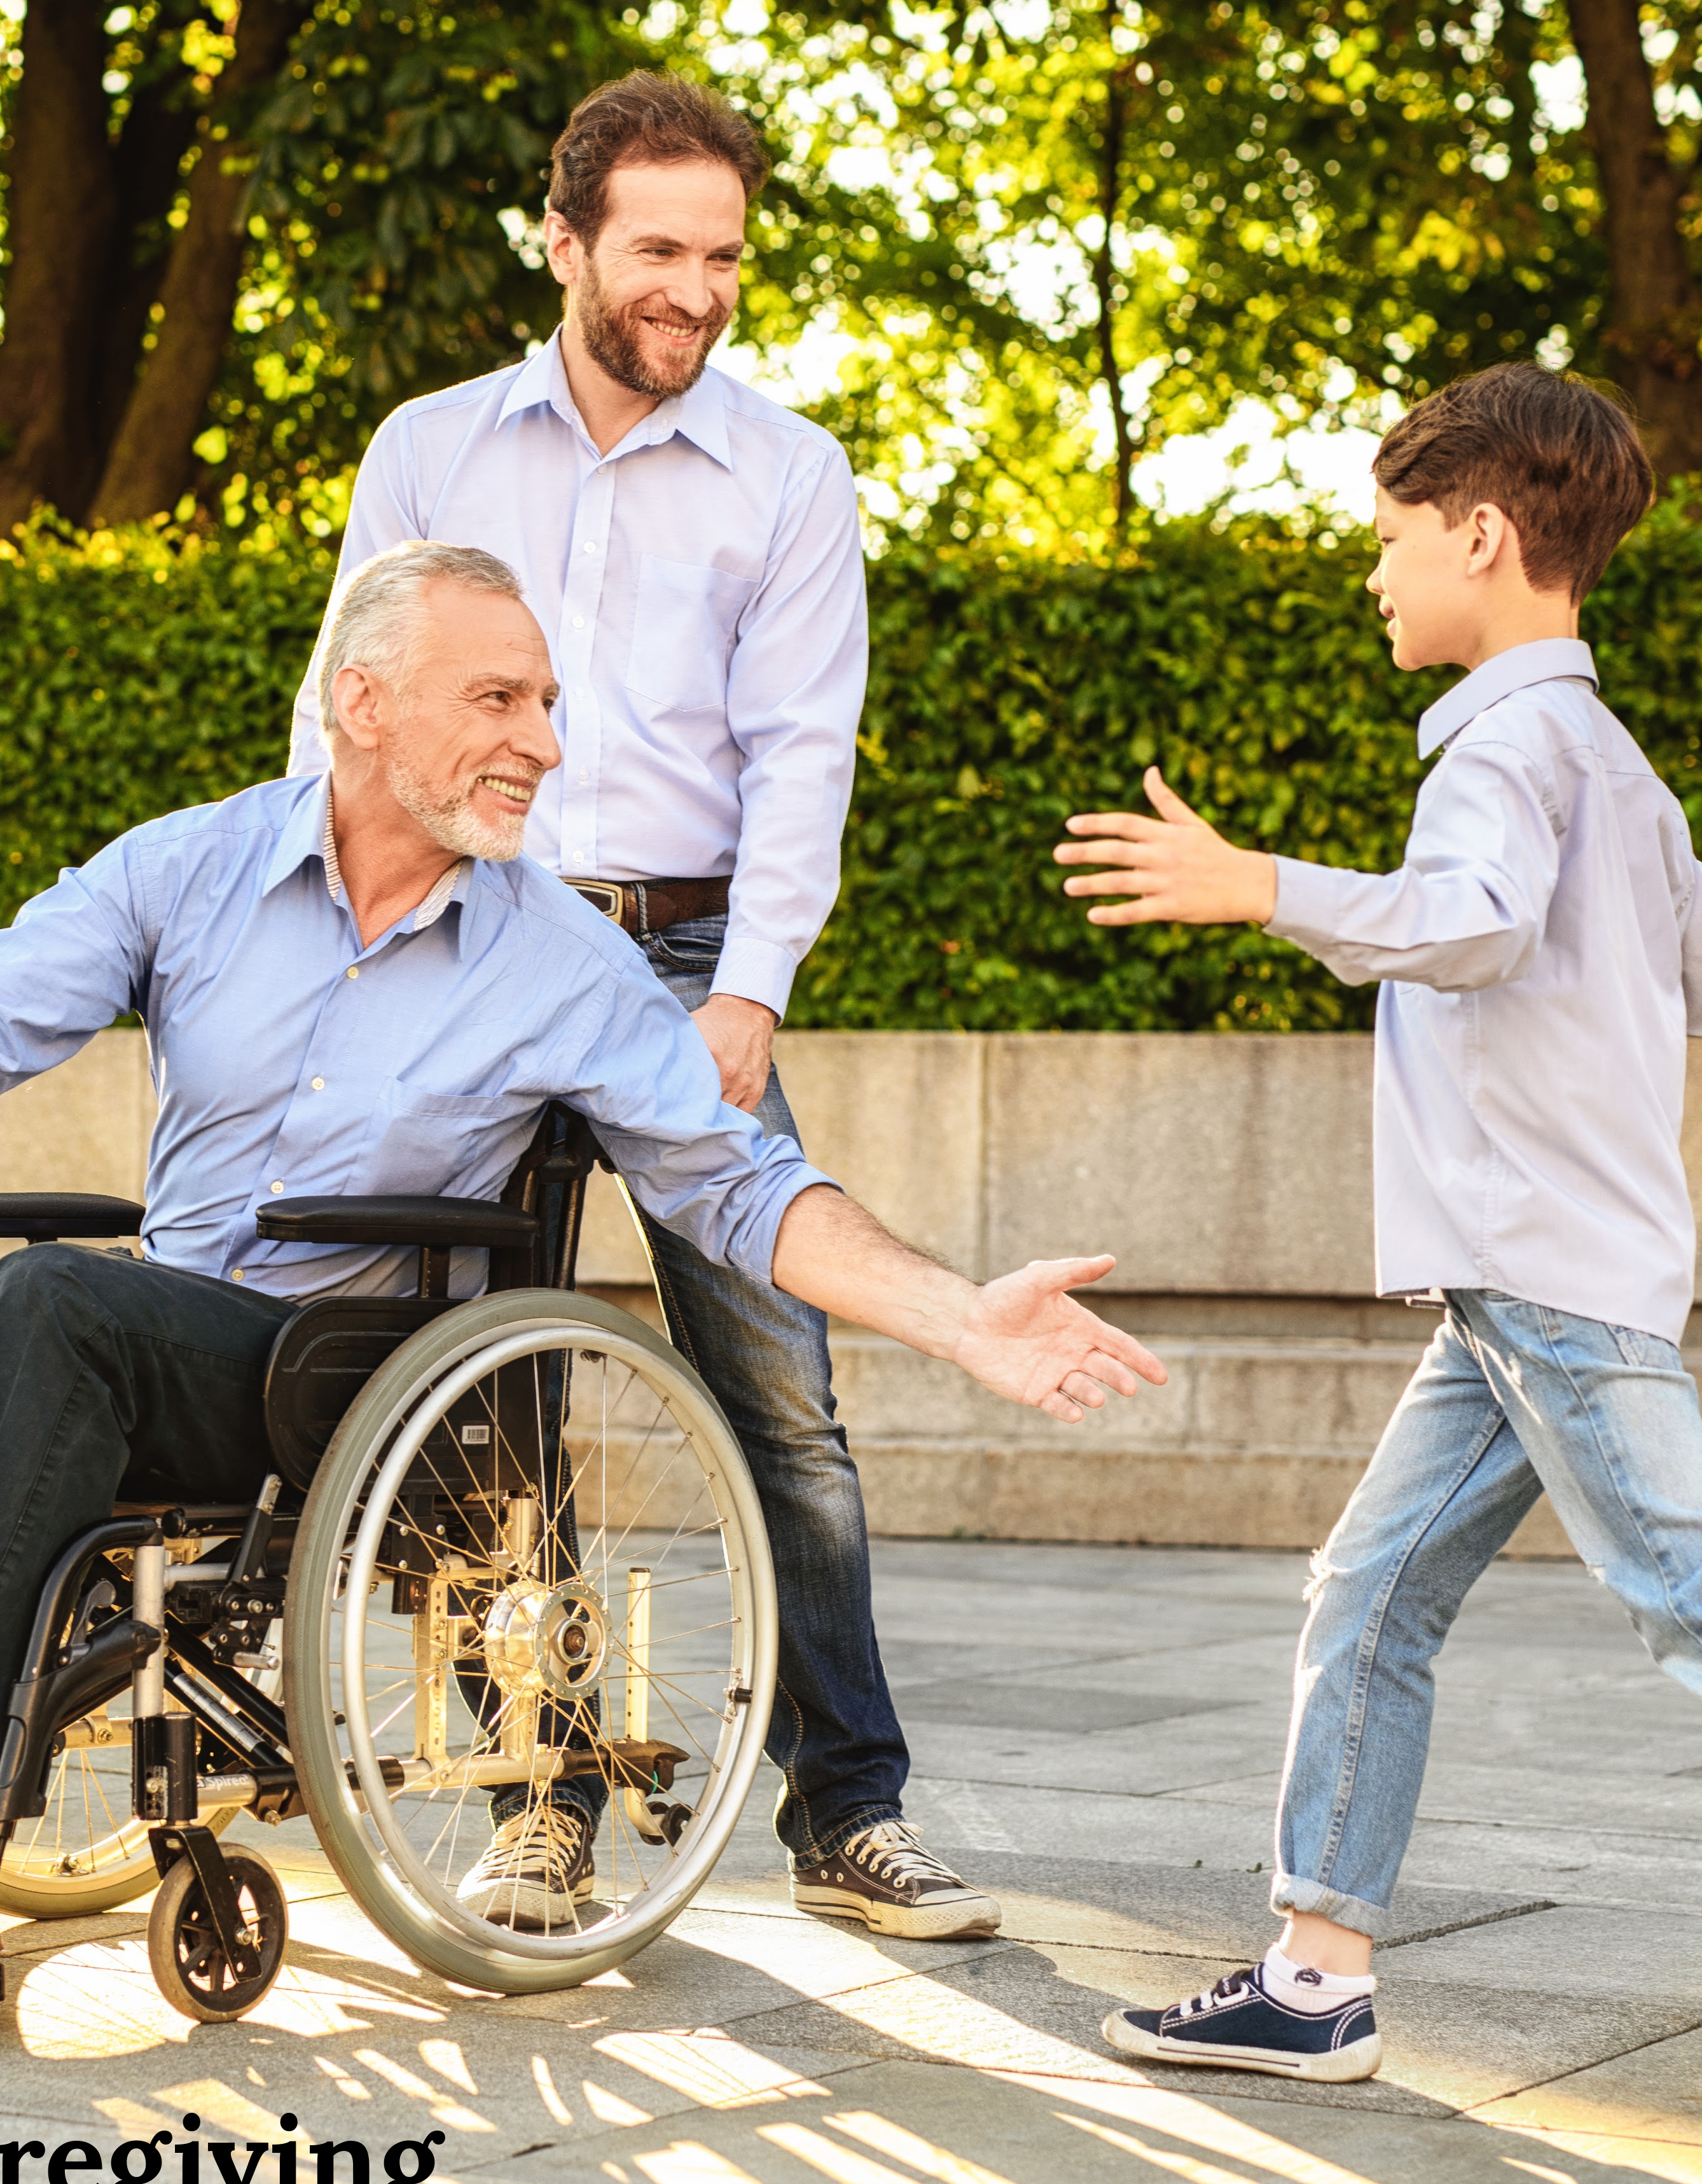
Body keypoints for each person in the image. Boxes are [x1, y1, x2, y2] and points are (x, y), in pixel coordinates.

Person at [0, 541, 1169, 1959]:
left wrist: (960, 1317)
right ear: (363, 703)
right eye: (499, 700)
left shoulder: (567, 967)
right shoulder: (198, 863)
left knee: (56, 1299)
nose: (541, 740)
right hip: (117, 1327)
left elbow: (736, 1187)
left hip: (309, 1379)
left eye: (546, 703)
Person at [1049, 365, 1702, 2154]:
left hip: (1547, 1276)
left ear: (1484, 536)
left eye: (1393, 542)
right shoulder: (1603, 761)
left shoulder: (1512, 744)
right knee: (1371, 1593)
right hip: (1519, 1278)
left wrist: (1266, 884)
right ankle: (1315, 1981)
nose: (1376, 577)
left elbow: (1471, 929)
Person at [284, 73, 983, 1941]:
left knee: (783, 1388)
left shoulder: (791, 475)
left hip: (680, 965)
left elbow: (802, 754)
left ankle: (849, 1805)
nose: (696, 288)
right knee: (479, 1398)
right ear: (567, 240)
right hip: (476, 947)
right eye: (659, 250)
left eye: (725, 256)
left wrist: (747, 990)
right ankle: (541, 1795)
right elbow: (344, 711)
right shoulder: (432, 449)